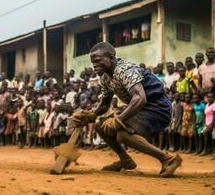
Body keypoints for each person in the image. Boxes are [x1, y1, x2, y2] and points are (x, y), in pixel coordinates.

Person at [70, 42, 182, 177]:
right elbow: (105, 104)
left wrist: (119, 119)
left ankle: (168, 159)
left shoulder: (126, 70)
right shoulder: (105, 77)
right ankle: (126, 160)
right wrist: (91, 115)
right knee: (101, 125)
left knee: (122, 135)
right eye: (92, 62)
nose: (94, 65)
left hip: (158, 109)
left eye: (98, 61)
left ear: (111, 58)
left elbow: (140, 99)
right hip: (141, 109)